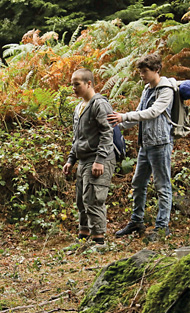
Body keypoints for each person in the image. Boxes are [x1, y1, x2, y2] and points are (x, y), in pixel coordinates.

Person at [108, 53, 173, 241]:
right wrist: (117, 124)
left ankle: (162, 228)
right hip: (145, 144)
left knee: (162, 185)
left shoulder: (166, 89)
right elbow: (139, 113)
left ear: (156, 70)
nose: (142, 75)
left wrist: (124, 116)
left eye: (145, 72)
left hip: (160, 143)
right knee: (138, 183)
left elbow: (153, 112)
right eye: (140, 72)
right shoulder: (147, 89)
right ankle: (136, 221)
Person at [63, 68, 116, 247]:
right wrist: (71, 160)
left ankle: (99, 241)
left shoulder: (99, 104)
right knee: (81, 200)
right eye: (72, 85)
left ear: (88, 84)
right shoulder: (79, 107)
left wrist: (100, 160)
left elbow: (107, 133)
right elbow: (77, 138)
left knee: (94, 199)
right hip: (84, 160)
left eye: (77, 84)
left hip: (99, 159)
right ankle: (83, 237)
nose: (74, 88)